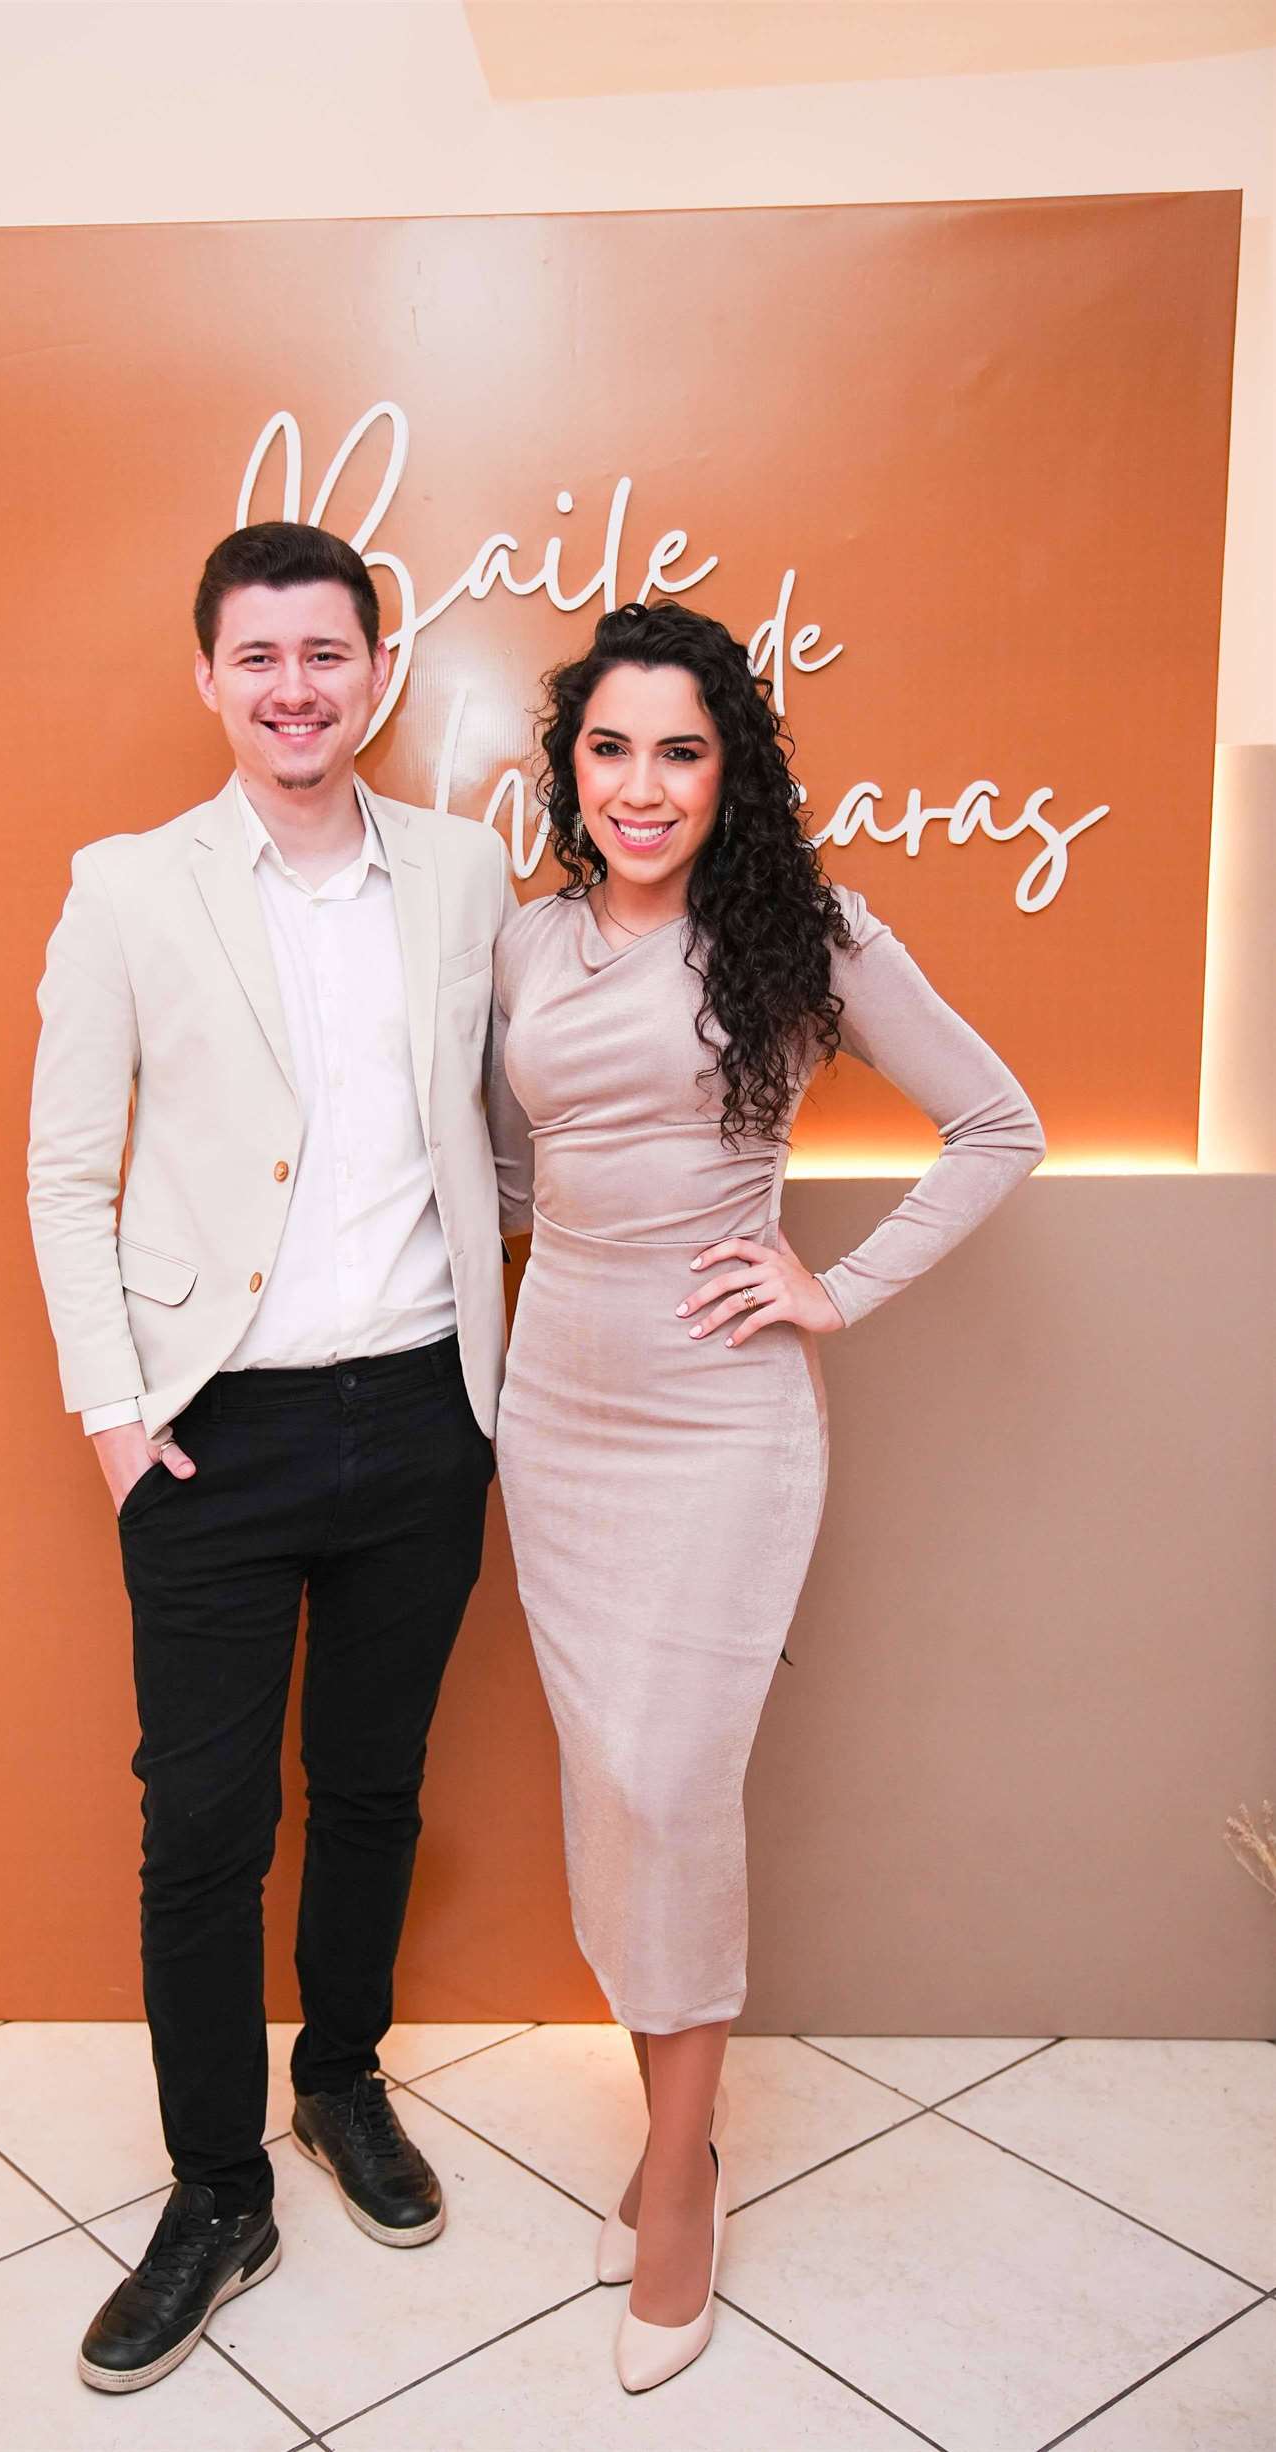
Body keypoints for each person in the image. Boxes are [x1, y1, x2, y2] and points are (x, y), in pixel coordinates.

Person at [487, 599, 1046, 2394]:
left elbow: (1001, 1126)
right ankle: (684, 2139)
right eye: (611, 749)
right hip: (557, 1416)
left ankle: (676, 2182)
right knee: (612, 1791)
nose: (642, 786)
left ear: (732, 773)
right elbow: (514, 1169)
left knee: (673, 1784)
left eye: (682, 751)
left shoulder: (810, 934)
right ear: (571, 767)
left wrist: (834, 1287)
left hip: (722, 1419)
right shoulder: (525, 943)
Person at [27, 521, 514, 2395]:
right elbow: (68, 1172)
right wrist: (116, 1419)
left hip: (421, 1415)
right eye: (260, 656)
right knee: (205, 1833)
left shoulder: (464, 872)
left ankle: (340, 2082)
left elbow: (503, 1128)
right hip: (209, 1435)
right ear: (210, 678)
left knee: (373, 1787)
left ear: (377, 672)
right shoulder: (126, 887)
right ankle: (216, 2190)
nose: (296, 688)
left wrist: (507, 1364)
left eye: (328, 653)